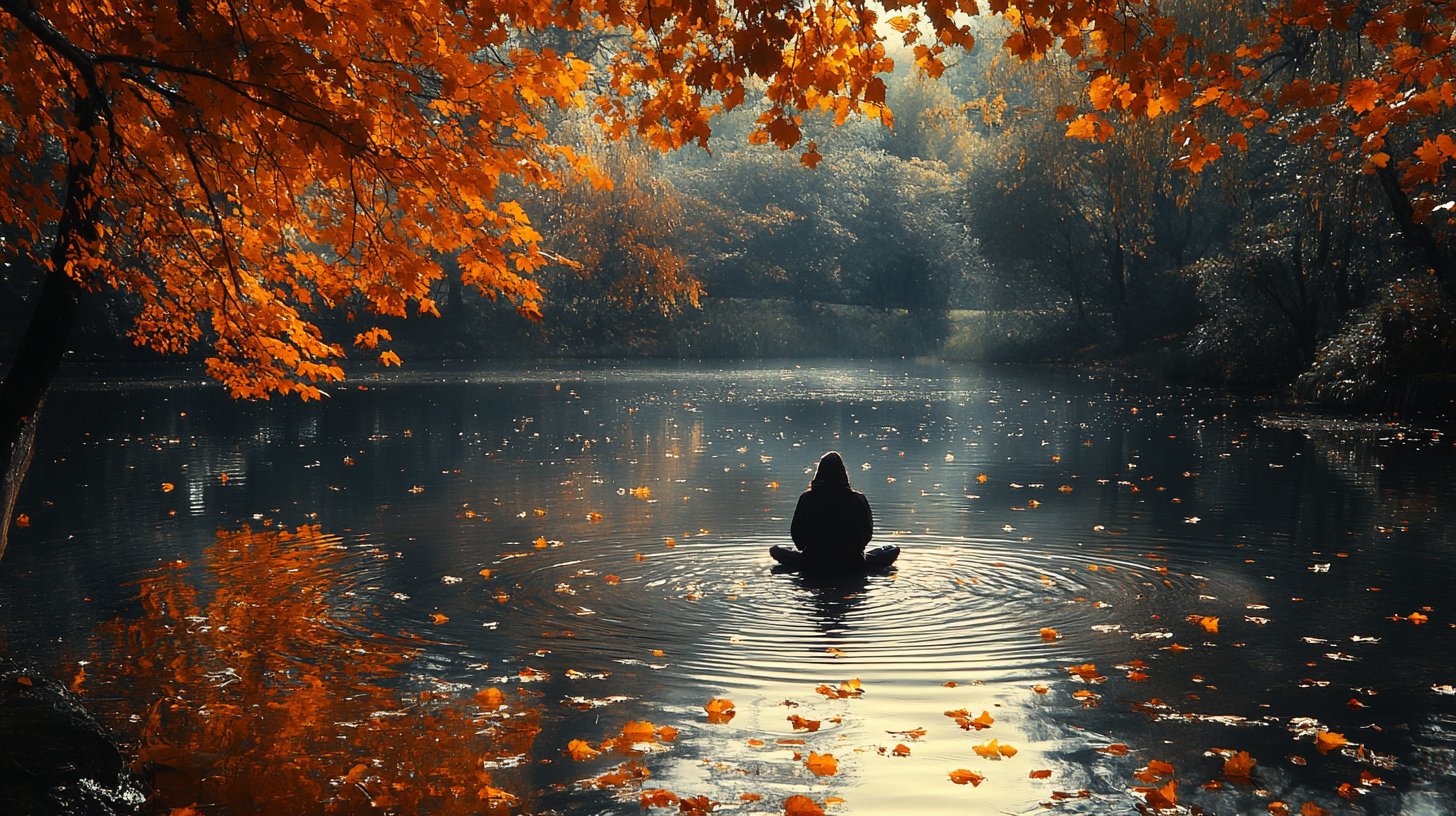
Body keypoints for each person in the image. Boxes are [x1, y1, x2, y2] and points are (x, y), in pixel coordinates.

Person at [771, 451, 898, 572]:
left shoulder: (807, 498)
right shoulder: (858, 499)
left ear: (818, 473)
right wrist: (855, 550)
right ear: (844, 474)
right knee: (892, 549)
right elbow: (867, 534)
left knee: (776, 550)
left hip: (813, 561)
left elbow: (797, 535)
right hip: (852, 563)